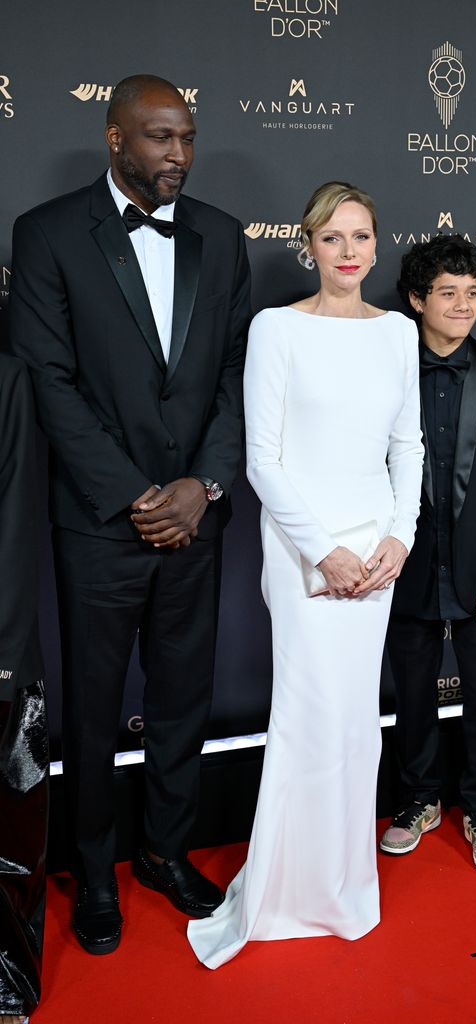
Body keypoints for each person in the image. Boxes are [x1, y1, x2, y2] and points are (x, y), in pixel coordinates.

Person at [9, 74, 251, 954]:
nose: (178, 155)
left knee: (185, 699)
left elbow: (235, 375)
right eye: (158, 138)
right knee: (97, 706)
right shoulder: (46, 235)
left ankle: (166, 852)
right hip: (101, 524)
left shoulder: (222, 238)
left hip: (198, 519)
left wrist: (203, 486)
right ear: (115, 139)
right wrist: (135, 495)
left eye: (186, 137)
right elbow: (48, 381)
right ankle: (96, 872)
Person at [188, 181, 424, 967]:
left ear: (376, 244)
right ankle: (287, 893)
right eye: (333, 239)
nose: (350, 252)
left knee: (356, 724)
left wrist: (401, 536)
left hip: (379, 551)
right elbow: (263, 460)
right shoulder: (275, 329)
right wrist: (324, 550)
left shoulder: (396, 333)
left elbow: (409, 447)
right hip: (302, 553)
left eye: (362, 237)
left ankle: (345, 886)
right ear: (309, 245)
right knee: (307, 714)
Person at [378, 235, 476, 872]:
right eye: (448, 294)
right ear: (417, 299)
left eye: (472, 295)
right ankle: (417, 799)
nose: (463, 306)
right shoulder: (384, 373)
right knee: (411, 691)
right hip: (407, 562)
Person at [0, 354, 48, 1024]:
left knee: (9, 813)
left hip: (0, 635)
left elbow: (17, 512)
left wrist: (5, 655)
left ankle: (7, 968)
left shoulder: (8, 377)